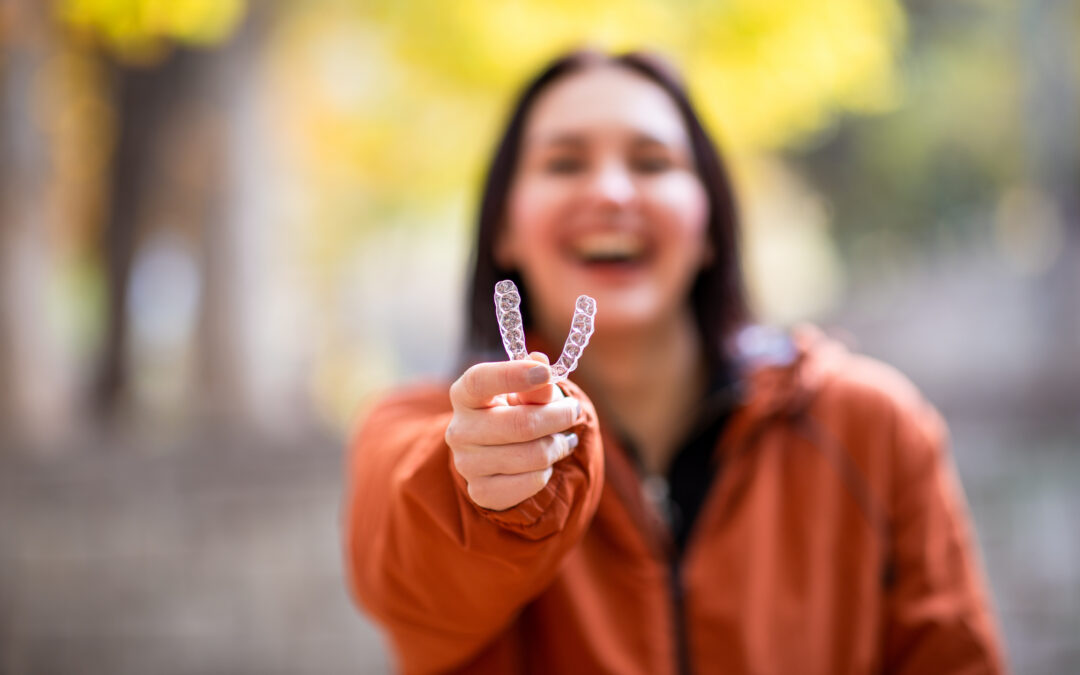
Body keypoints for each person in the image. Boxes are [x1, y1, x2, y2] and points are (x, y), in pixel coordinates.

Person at [342, 49, 1006, 674]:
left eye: (652, 161)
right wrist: (480, 492)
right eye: (565, 163)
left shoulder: (872, 428)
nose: (610, 191)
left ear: (711, 225)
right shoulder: (418, 436)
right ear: (505, 227)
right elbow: (409, 578)